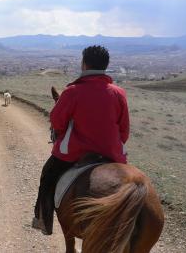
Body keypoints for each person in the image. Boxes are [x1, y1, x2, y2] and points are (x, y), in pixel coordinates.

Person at [32, 45, 130, 235]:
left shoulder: (72, 92)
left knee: (48, 175)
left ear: (84, 64)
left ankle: (43, 219)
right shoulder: (119, 93)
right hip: (111, 153)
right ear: (105, 66)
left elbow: (57, 121)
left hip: (75, 154)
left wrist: (64, 135)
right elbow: (124, 130)